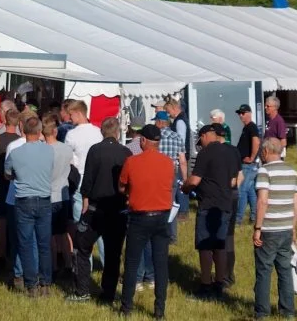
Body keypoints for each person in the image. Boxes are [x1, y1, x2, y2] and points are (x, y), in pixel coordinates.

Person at [69, 117, 130, 304]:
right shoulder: (125, 152)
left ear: (102, 132)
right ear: (117, 133)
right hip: (118, 209)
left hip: (96, 208)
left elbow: (87, 180)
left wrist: (85, 199)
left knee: (82, 247)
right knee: (113, 253)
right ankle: (108, 293)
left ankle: (82, 290)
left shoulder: (95, 150)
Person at [119, 124, 176, 319]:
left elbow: (122, 186)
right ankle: (159, 309)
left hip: (139, 217)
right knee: (161, 263)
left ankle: (127, 307)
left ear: (143, 140)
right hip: (162, 216)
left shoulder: (132, 162)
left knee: (132, 262)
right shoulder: (168, 162)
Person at [184, 123, 242, 299]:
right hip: (226, 203)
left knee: (205, 246)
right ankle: (219, 283)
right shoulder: (231, 152)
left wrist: (185, 187)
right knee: (220, 245)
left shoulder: (205, 153)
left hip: (208, 204)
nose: (200, 144)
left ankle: (205, 285)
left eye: (200, 140)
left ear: (205, 136)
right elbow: (234, 180)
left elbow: (194, 180)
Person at [6, 116, 55, 297]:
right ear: (40, 131)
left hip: (24, 200)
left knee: (25, 244)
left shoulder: (15, 153)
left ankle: (31, 284)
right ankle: (46, 283)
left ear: (23, 131)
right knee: (44, 244)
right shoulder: (49, 150)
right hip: (44, 199)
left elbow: (7, 174)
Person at [252, 137, 297, 319]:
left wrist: (258, 228)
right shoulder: (292, 171)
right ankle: (288, 311)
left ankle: (262, 312)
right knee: (285, 270)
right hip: (286, 228)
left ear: (265, 151)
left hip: (269, 229)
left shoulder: (264, 171)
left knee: (264, 270)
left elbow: (262, 201)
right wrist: (293, 227)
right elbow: (296, 202)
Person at [0, 104, 23, 282]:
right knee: (15, 223)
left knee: (1, 223)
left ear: (5, 120)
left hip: (2, 184)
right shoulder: (20, 141)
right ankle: (13, 254)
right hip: (15, 185)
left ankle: (1, 256)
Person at [43, 115, 76, 279]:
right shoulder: (66, 149)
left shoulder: (42, 150)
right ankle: (69, 264)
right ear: (55, 131)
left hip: (48, 195)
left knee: (50, 234)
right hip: (63, 194)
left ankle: (54, 265)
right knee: (63, 232)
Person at [165, 99, 191, 218]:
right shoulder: (180, 119)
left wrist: (179, 156)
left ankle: (183, 211)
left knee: (181, 184)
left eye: (168, 111)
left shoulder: (180, 121)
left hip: (180, 158)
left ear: (174, 108)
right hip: (181, 157)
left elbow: (180, 140)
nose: (168, 114)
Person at [235, 104, 261, 225]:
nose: (241, 115)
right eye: (239, 113)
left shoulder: (252, 127)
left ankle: (238, 219)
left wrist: (252, 157)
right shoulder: (247, 128)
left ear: (249, 113)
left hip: (248, 165)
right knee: (251, 192)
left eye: (243, 113)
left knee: (241, 190)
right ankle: (254, 217)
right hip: (246, 164)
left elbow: (256, 142)